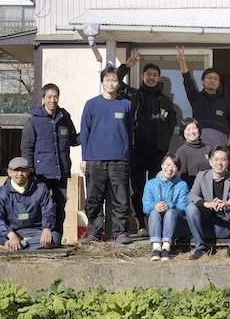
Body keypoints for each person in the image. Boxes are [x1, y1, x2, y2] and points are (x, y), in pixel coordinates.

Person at [117, 53, 177, 236]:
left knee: (155, 187)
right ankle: (140, 223)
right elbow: (116, 82)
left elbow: (171, 124)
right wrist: (126, 66)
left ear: (159, 78)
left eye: (155, 75)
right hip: (136, 149)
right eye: (148, 74)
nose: (151, 78)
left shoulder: (166, 101)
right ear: (143, 76)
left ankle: (154, 222)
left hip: (157, 152)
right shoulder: (134, 95)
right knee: (137, 187)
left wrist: (164, 144)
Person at [79, 65, 134, 245]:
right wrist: (84, 158)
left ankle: (120, 232)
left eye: (114, 80)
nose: (111, 83)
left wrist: (127, 155)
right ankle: (94, 233)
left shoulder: (125, 104)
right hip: (95, 159)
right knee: (94, 198)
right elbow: (84, 133)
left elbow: (129, 132)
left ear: (119, 83)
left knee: (121, 198)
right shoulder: (92, 104)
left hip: (119, 160)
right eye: (107, 80)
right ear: (102, 82)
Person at [20, 83, 79, 234]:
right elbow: (27, 149)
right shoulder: (33, 122)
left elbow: (73, 140)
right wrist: (29, 172)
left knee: (60, 206)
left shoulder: (64, 119)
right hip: (41, 174)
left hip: (61, 173)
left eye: (56, 97)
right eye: (50, 97)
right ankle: (40, 238)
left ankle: (57, 238)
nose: (53, 100)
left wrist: (90, 131)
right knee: (42, 207)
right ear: (43, 98)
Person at [0, 157, 61, 251]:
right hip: (11, 231)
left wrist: (47, 228)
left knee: (55, 237)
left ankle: (13, 247)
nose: (20, 174)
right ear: (9, 172)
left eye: (23, 170)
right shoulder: (1, 192)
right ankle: (24, 245)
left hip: (35, 231)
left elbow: (48, 211)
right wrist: (11, 235)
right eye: (16, 171)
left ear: (29, 171)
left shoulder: (40, 189)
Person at [186, 146, 230, 259]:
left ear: (228, 162)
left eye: (223, 160)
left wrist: (227, 203)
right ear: (210, 162)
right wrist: (207, 204)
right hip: (207, 224)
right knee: (191, 208)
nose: (219, 163)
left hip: (226, 223)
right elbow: (192, 195)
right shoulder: (202, 176)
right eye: (216, 159)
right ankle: (200, 248)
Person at [175, 46, 230, 148]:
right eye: (208, 77)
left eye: (215, 78)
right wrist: (182, 62)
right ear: (202, 81)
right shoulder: (196, 98)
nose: (212, 80)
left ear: (219, 83)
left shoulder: (225, 102)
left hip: (219, 146)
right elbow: (188, 83)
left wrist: (227, 143)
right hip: (199, 144)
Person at [142, 153, 190, 262]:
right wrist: (155, 205)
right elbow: (146, 207)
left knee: (171, 212)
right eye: (167, 165)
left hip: (177, 224)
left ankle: (166, 248)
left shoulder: (182, 185)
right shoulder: (150, 184)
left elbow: (184, 207)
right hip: (158, 223)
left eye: (174, 166)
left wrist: (170, 205)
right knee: (154, 212)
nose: (170, 169)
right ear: (162, 165)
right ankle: (156, 248)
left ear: (177, 169)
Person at [174, 118, 213, 189]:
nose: (192, 132)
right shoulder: (182, 151)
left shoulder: (208, 149)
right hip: (192, 190)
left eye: (194, 128)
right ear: (183, 132)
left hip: (209, 189)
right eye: (188, 129)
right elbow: (181, 176)